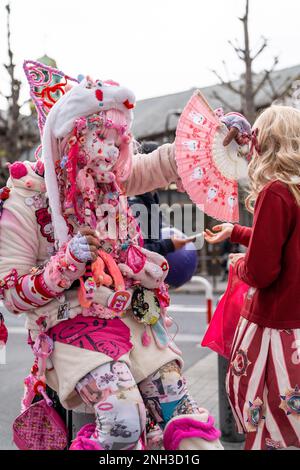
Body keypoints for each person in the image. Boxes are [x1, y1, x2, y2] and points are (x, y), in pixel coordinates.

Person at [0, 61, 245, 451]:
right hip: (72, 330)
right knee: (122, 423)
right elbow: (12, 293)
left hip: (135, 319)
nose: (112, 151)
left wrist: (215, 140)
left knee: (183, 415)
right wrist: (68, 262)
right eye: (101, 136)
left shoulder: (109, 178)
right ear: (69, 137)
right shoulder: (27, 194)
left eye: (118, 140)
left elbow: (163, 163)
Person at [204, 105, 300, 450]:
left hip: (276, 332)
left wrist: (238, 265)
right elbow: (290, 245)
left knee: (267, 429)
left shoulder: (275, 191)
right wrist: (239, 232)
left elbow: (262, 272)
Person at [129, 141, 191, 257]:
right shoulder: (135, 205)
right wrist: (168, 245)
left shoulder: (151, 201)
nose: (168, 173)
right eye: (163, 165)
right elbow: (134, 252)